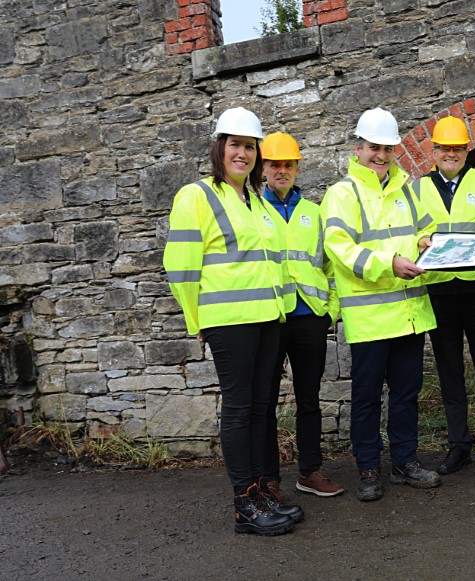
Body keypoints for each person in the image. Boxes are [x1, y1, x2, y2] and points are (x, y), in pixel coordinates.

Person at [163, 107, 300, 535]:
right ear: (219, 148)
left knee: (261, 410)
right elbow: (180, 265)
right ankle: (243, 503)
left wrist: (282, 310)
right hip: (229, 321)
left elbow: (276, 263)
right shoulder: (197, 196)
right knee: (240, 410)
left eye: (250, 147)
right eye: (235, 145)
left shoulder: (257, 201)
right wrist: (194, 318)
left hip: (266, 319)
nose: (243, 153)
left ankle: (260, 492)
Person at [320, 107, 441, 501]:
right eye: (374, 147)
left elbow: (427, 228)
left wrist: (426, 242)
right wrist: (389, 263)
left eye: (388, 148)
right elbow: (339, 249)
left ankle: (405, 461)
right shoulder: (343, 194)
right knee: (368, 398)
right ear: (359, 148)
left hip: (409, 314)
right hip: (370, 318)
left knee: (407, 393)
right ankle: (368, 467)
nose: (381, 155)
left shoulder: (408, 189)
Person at [410, 116, 475, 475]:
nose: (450, 154)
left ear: (467, 150)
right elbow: (411, 232)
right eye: (444, 148)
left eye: (457, 148)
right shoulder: (416, 189)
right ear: (433, 151)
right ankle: (459, 444)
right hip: (439, 289)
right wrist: (419, 241)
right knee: (449, 371)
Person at [259, 131, 346, 500]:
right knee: (263, 401)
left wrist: (330, 310)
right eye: (275, 164)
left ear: (297, 167)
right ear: (264, 168)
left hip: (310, 316)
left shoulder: (315, 212)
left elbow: (332, 266)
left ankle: (310, 471)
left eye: (288, 164)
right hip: (268, 317)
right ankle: (267, 477)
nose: (282, 170)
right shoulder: (251, 209)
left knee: (309, 398)